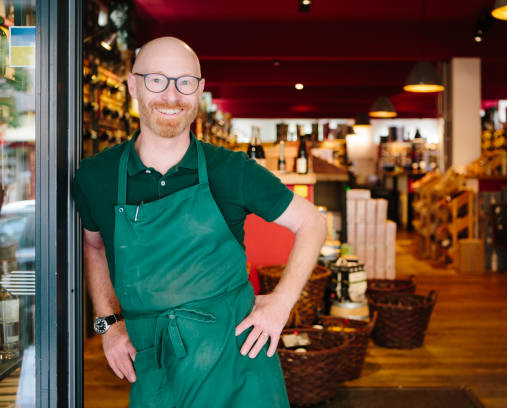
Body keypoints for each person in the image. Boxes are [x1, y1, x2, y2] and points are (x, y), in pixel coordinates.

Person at [73, 36, 327, 408]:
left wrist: (281, 303)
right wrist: (108, 324)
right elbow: (93, 244)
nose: (172, 96)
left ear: (200, 90)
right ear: (133, 85)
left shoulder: (232, 170)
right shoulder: (97, 177)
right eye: (157, 80)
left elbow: (312, 223)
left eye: (185, 82)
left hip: (238, 363)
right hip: (155, 367)